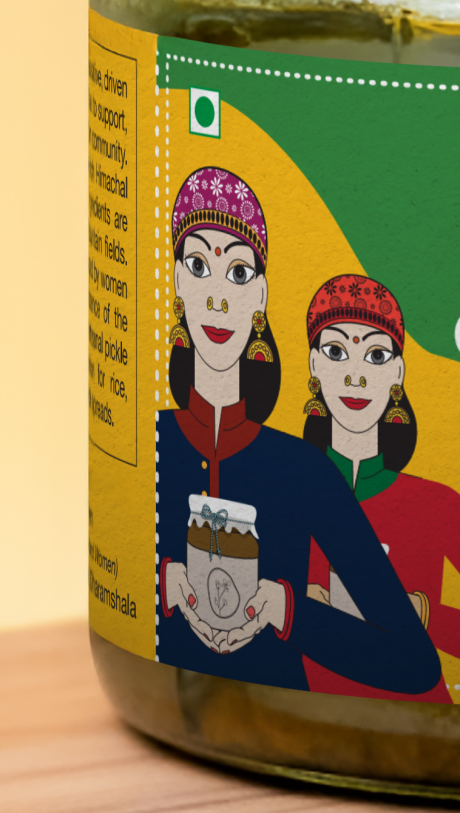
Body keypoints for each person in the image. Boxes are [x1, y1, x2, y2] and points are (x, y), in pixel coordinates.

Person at [155, 169, 441, 696]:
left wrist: (287, 610)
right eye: (198, 266)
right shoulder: (153, 443)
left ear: (261, 294)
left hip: (280, 704)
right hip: (176, 694)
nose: (217, 299)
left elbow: (414, 661)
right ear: (175, 280)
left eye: (238, 272)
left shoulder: (303, 470)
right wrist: (163, 583)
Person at [301, 272, 460, 700]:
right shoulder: (281, 487)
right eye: (336, 352)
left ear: (398, 372)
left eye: (376, 355)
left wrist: (421, 615)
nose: (355, 377)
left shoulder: (438, 505)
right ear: (313, 365)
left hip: (421, 707)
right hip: (297, 707)